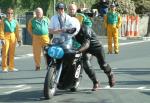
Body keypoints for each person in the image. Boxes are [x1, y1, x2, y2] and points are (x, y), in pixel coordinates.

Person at [68, 4, 115, 91]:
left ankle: (110, 74)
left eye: (73, 9)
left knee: (103, 65)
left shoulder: (85, 27)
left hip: (95, 47)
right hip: (84, 48)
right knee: (86, 64)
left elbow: (87, 44)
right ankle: (95, 82)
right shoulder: (72, 29)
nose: (71, 27)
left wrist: (77, 51)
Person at [0, 8, 21, 72]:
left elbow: (17, 31)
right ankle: (4, 67)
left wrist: (19, 40)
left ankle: (11, 67)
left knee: (12, 53)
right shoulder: (3, 21)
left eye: (11, 13)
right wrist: (2, 38)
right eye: (8, 13)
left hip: (13, 36)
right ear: (6, 14)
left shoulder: (15, 21)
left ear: (13, 14)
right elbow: (1, 30)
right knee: (5, 53)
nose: (10, 14)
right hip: (6, 36)